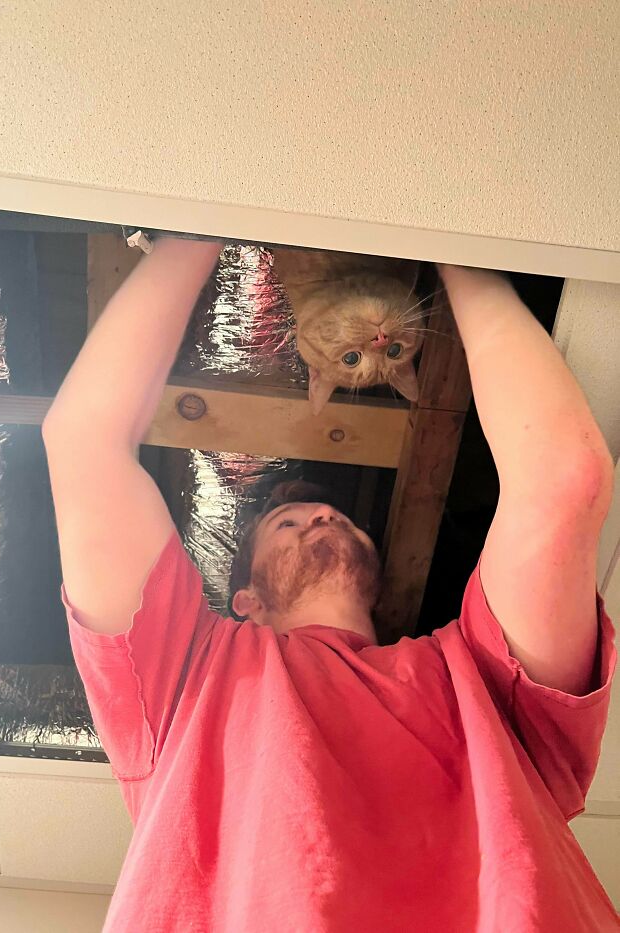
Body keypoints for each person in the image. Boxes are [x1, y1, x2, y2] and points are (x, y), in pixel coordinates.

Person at [41, 238, 618, 931]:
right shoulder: (185, 680)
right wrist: (455, 244)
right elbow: (565, 478)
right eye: (288, 522)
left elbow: (82, 442)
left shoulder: (479, 677)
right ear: (245, 600)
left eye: (325, 514)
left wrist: (201, 222)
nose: (319, 512)